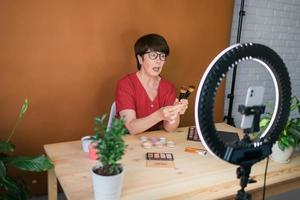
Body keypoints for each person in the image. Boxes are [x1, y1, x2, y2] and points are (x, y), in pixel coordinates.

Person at [115, 33, 188, 135]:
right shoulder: (126, 84)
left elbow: (170, 128)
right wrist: (159, 115)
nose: (158, 61)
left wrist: (174, 112)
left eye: (162, 56)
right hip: (124, 142)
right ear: (140, 59)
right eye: (153, 55)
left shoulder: (168, 87)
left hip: (152, 142)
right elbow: (131, 128)